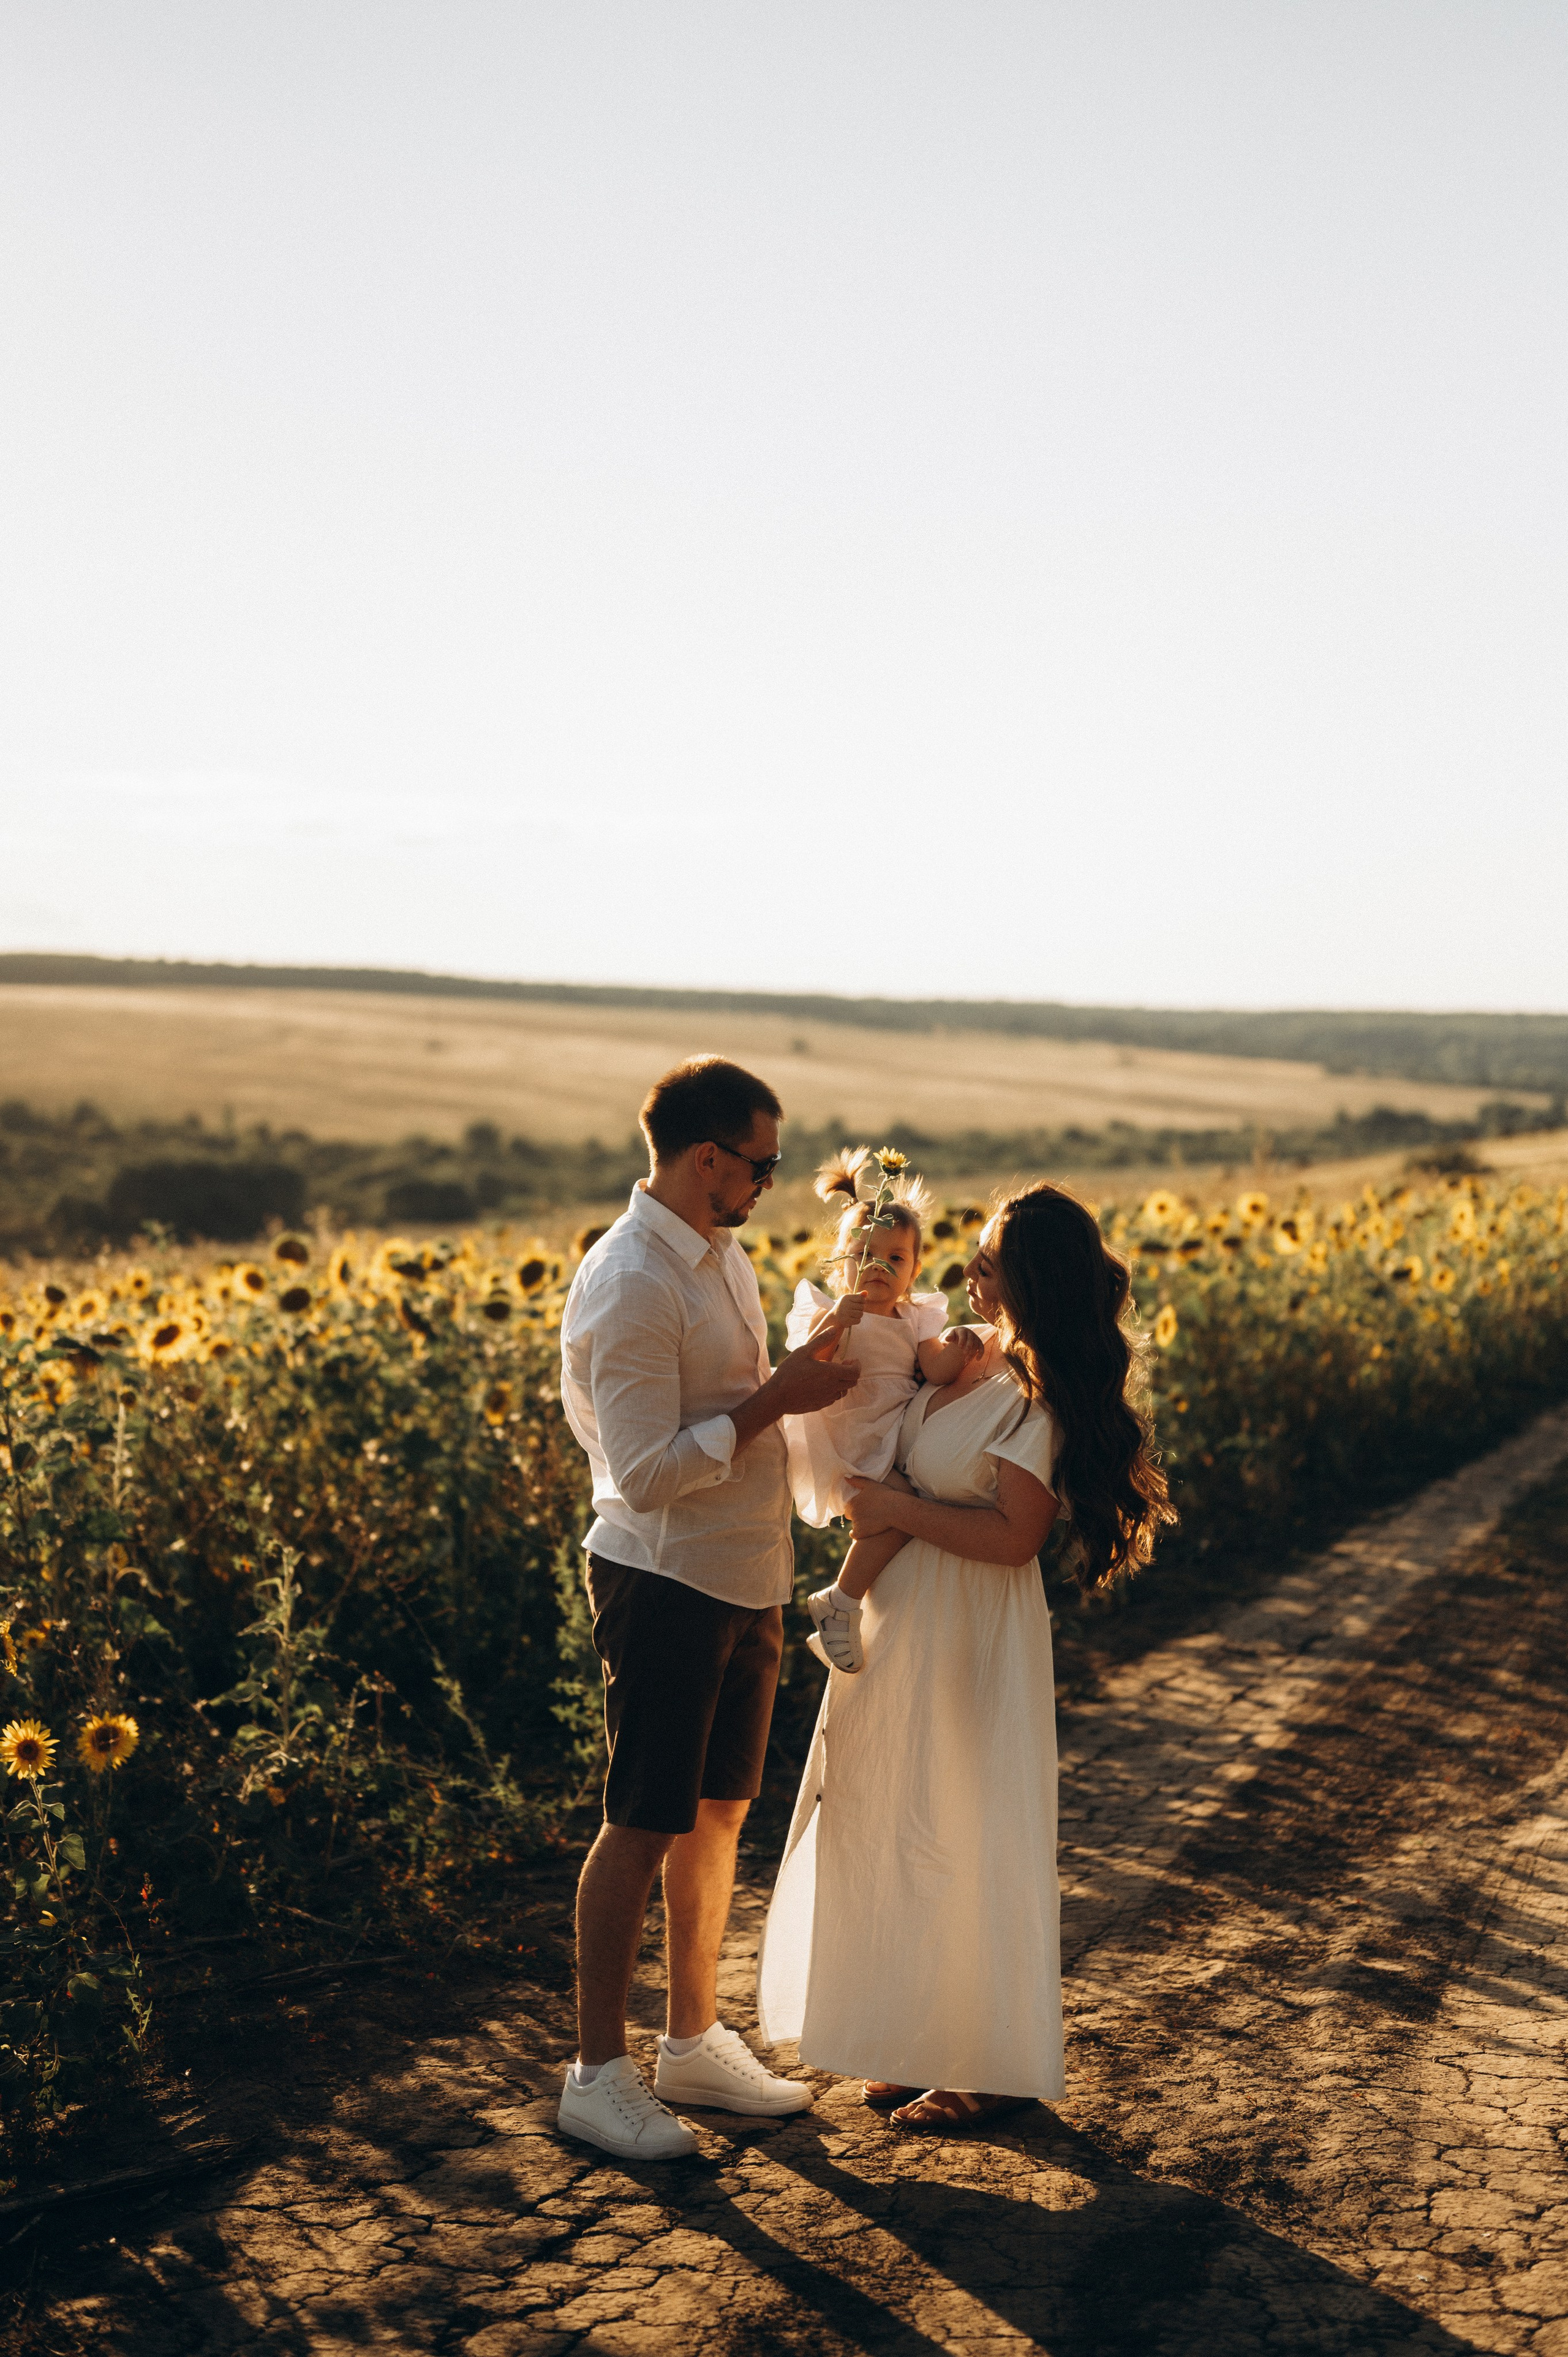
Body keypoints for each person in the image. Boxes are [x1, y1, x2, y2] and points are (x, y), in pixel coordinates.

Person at [757, 1181, 1174, 2133]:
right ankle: (905, 2037)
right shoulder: (975, 1364)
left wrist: (896, 1510)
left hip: (974, 1630)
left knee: (962, 1833)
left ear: (1031, 1275)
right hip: (903, 1622)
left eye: (989, 1256)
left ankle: (986, 2063)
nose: (972, 1269)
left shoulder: (1043, 1392)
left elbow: (1015, 1536)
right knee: (890, 1818)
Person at [556, 1055, 862, 2160]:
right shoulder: (634, 1277)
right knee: (641, 1819)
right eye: (762, 1163)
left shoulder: (718, 1253)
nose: (769, 1184)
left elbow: (733, 1404)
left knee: (719, 1812)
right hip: (665, 1575)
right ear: (706, 1158)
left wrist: (800, 1374)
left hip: (745, 1569)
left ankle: (689, 2038)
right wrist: (777, 1397)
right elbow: (637, 1472)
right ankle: (596, 2072)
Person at [783, 1148, 986, 1674]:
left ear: (915, 1269)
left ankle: (868, 1607)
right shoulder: (831, 1313)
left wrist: (957, 1348)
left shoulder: (914, 1316)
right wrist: (835, 1326)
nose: (878, 1268)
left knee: (913, 1512)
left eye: (895, 1259)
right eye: (864, 1256)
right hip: (853, 1438)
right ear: (840, 1262)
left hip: (898, 1433)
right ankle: (840, 1603)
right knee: (901, 1517)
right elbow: (807, 1367)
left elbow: (934, 1368)